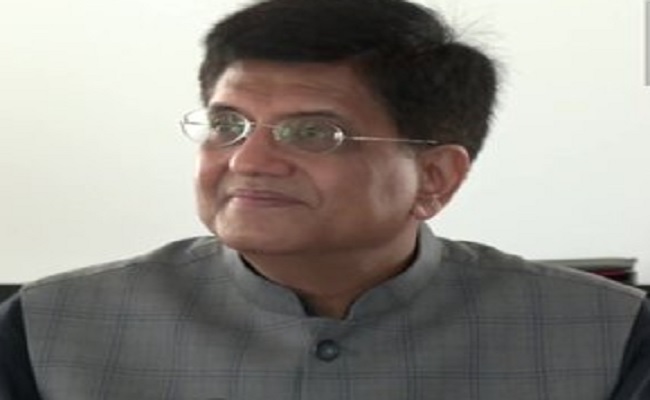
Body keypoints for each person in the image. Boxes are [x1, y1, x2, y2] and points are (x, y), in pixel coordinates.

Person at [1, 0, 649, 398]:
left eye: (313, 133)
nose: (248, 161)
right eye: (228, 124)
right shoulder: (49, 327)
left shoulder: (609, 334)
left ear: (435, 178)